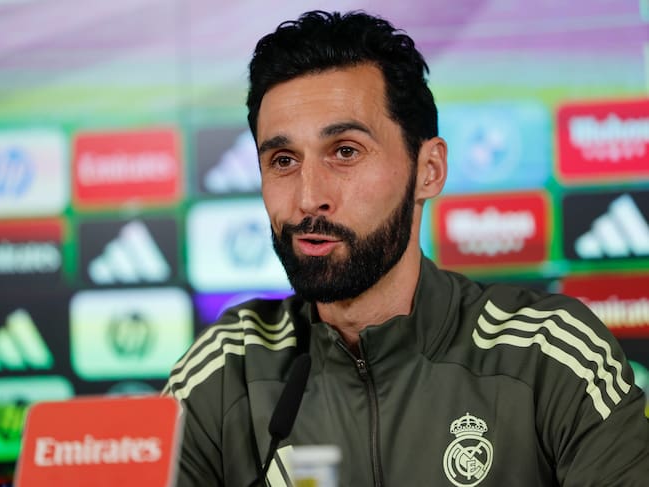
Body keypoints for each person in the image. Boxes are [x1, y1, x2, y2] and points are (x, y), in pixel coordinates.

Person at [163, 10, 649, 486]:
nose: (309, 197)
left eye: (345, 152)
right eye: (283, 160)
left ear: (428, 170)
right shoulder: (226, 369)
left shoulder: (547, 354)